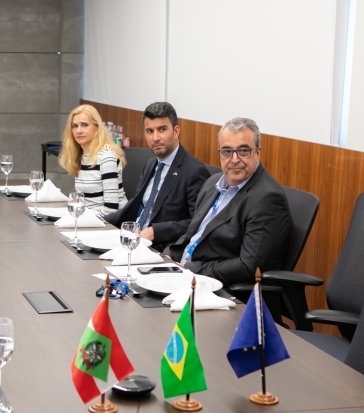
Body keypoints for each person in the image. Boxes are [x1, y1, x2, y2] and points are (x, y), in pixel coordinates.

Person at [167, 117, 292, 285]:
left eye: (243, 151)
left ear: (258, 152)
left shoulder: (268, 199)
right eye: (226, 151)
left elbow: (248, 266)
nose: (234, 159)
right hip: (182, 274)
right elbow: (193, 234)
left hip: (221, 290)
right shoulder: (213, 183)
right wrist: (169, 257)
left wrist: (190, 269)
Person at [103, 102, 210, 252]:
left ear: (176, 131)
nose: (155, 138)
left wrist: (155, 231)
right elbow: (137, 205)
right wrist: (99, 223)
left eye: (162, 129)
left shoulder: (194, 170)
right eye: (149, 131)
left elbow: (197, 223)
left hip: (158, 248)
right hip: (130, 240)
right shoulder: (150, 164)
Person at [59, 104, 127, 216]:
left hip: (111, 223)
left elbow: (111, 209)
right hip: (90, 218)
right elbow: (87, 200)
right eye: (75, 126)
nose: (78, 131)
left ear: (97, 128)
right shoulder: (81, 155)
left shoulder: (106, 157)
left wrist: (83, 220)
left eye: (84, 125)